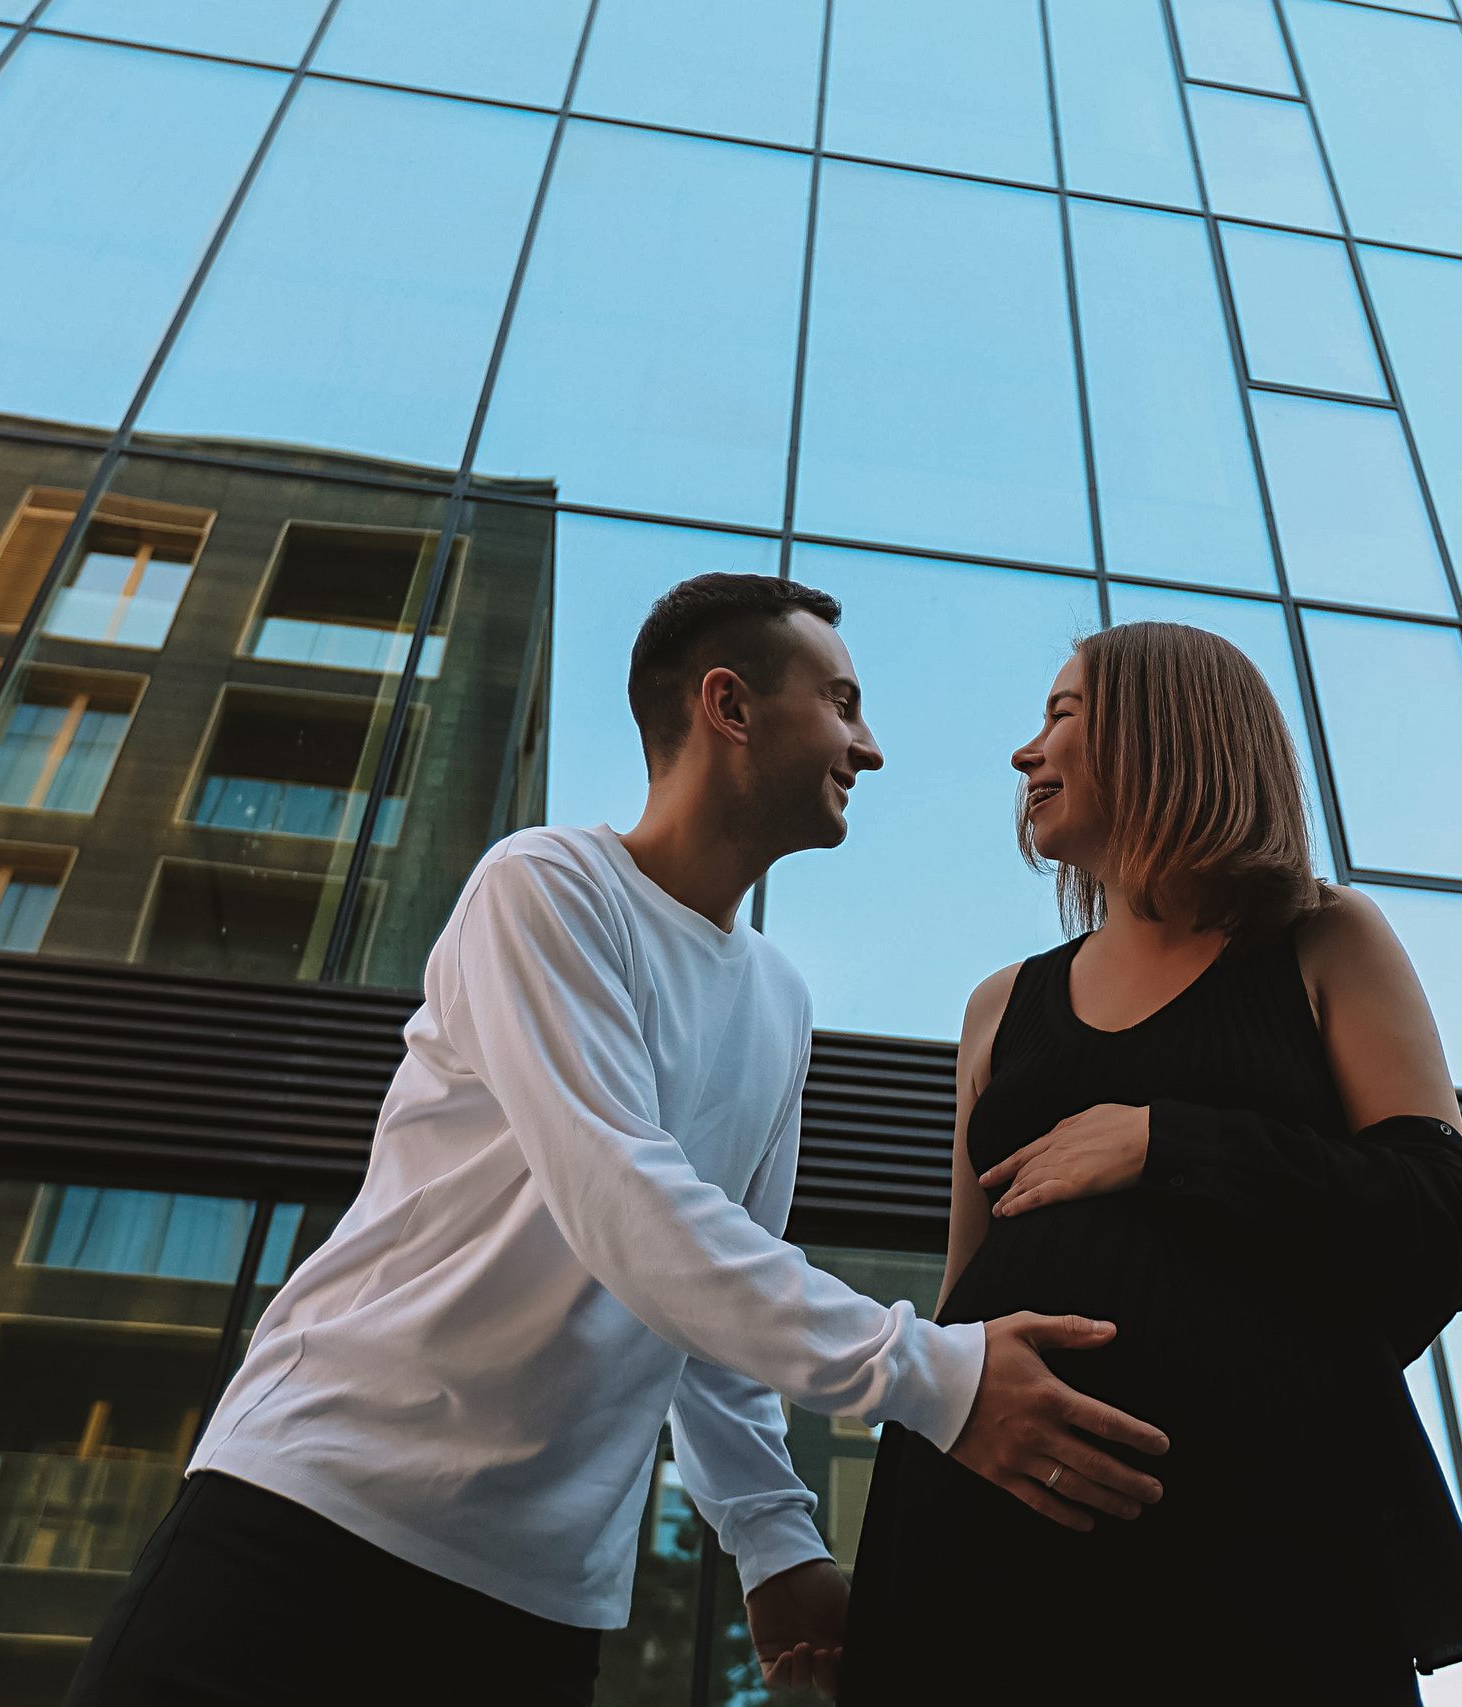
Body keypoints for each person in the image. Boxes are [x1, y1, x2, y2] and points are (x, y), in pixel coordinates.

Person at [64, 574, 1168, 1706]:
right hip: (309, 1513)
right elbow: (629, 1208)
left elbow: (715, 1292)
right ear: (728, 706)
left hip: (538, 1602)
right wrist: (942, 1376)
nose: (869, 747)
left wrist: (775, 1545)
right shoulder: (545, 887)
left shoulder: (778, 1000)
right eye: (841, 704)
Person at [840, 622, 1462, 1704]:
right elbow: (964, 1297)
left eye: (1062, 715)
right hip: (988, 1528)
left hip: (1261, 1537)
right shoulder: (999, 1007)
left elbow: (1436, 1217)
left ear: (1166, 731)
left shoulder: (1324, 936)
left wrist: (1166, 1142)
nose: (1024, 752)